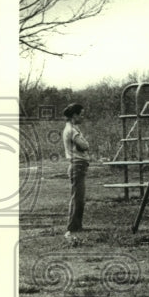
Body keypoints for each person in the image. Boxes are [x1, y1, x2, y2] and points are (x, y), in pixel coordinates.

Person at [62, 103, 91, 241]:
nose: (83, 117)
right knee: (78, 198)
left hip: (78, 165)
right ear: (74, 115)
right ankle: (73, 226)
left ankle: (76, 225)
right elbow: (84, 145)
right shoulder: (72, 130)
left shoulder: (72, 128)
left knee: (78, 197)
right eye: (81, 114)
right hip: (77, 165)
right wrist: (86, 144)